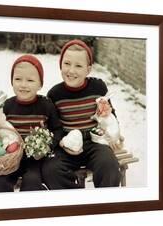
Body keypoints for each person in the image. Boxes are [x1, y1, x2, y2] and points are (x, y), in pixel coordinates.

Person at [0, 54, 63, 192]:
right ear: (12, 81)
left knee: (32, 183)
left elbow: (58, 130)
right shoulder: (6, 106)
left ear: (40, 84)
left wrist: (46, 146)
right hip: (9, 161)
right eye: (18, 79)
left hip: (35, 161)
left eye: (30, 80)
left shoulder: (46, 105)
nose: (23, 85)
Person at [42, 39, 121, 189]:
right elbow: (52, 125)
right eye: (67, 64)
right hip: (67, 143)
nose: (71, 70)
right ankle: (76, 200)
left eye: (78, 65)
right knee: (51, 170)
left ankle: (105, 204)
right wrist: (60, 143)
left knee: (109, 165)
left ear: (88, 69)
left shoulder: (98, 87)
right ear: (61, 65)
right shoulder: (55, 94)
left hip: (95, 141)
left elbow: (110, 114)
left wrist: (114, 134)